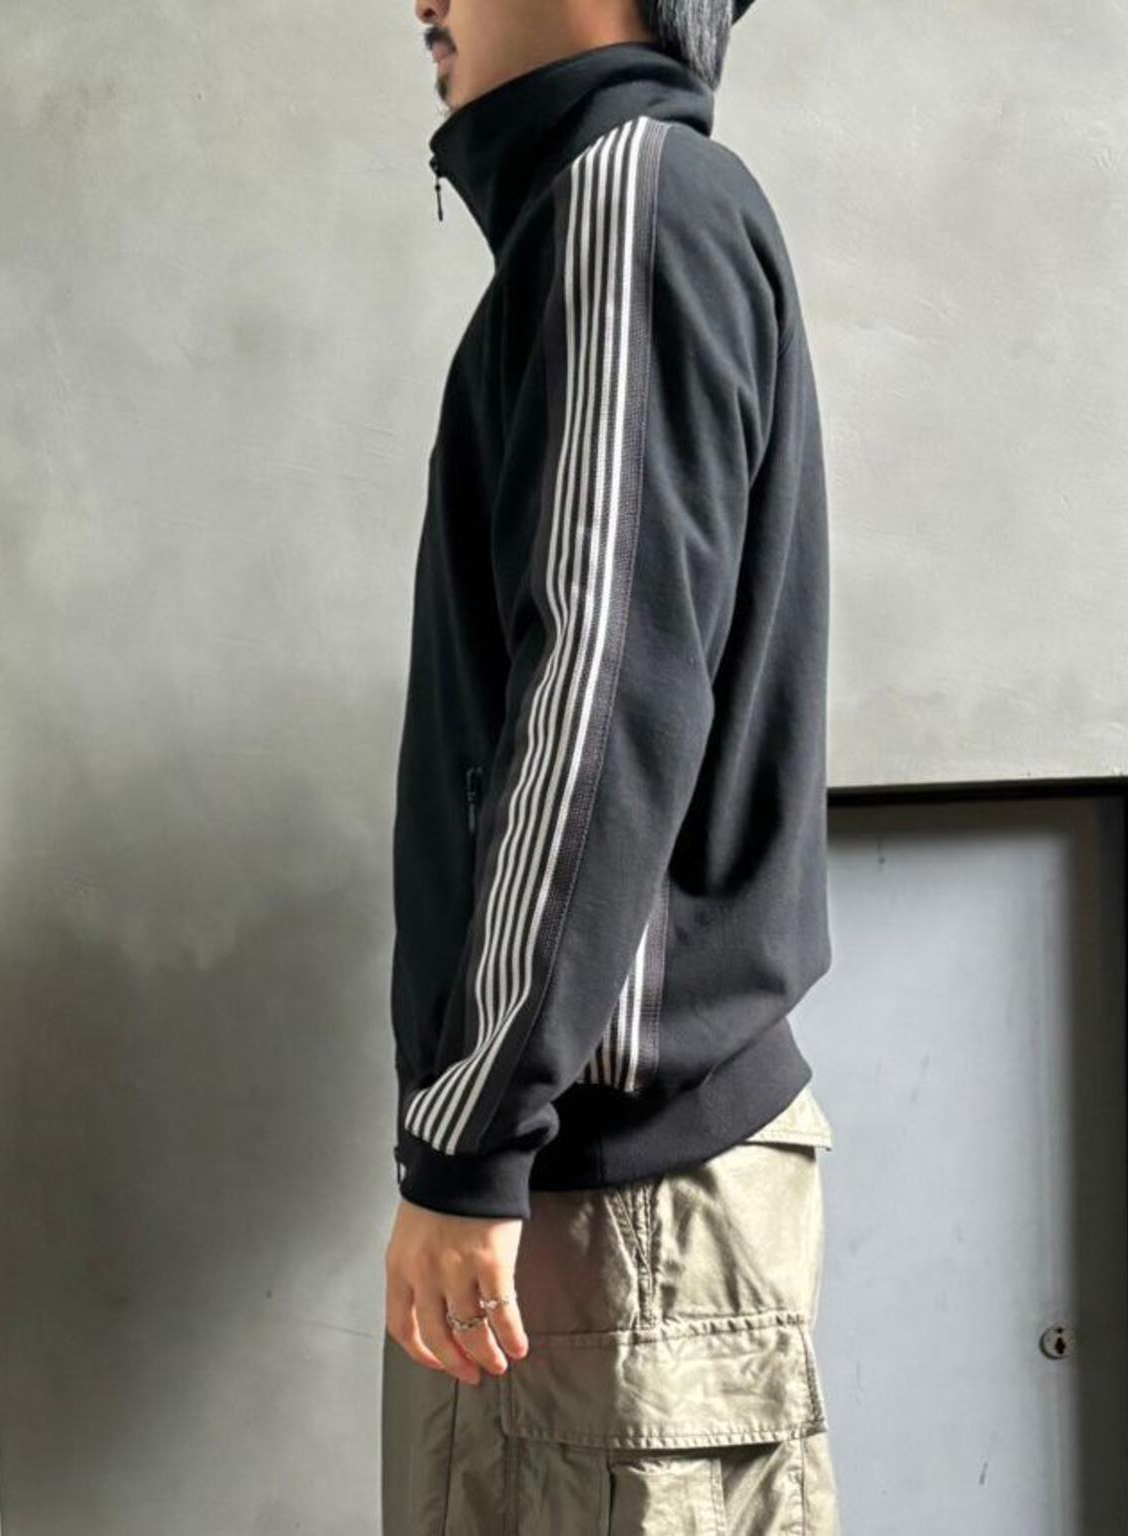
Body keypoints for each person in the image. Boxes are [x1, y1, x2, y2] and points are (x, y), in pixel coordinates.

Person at [383, 1, 840, 1529]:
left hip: (611, 1214)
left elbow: (597, 704)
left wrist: (470, 1143)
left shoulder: (631, 207)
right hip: (588, 1212)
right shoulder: (609, 214)